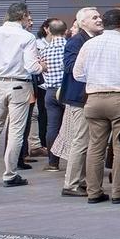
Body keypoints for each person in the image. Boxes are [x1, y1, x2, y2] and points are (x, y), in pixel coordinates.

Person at [72, 7, 120, 204]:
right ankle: (118, 192)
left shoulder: (89, 45)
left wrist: (97, 78)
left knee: (95, 146)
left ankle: (93, 192)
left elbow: (77, 74)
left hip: (94, 98)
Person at [0, 2, 42, 188]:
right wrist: (42, 67)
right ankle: (10, 173)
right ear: (23, 16)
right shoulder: (27, 37)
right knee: (16, 130)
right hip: (19, 85)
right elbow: (31, 66)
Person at [55, 6, 100, 197]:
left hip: (89, 97)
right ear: (82, 22)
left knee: (87, 142)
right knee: (80, 142)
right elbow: (71, 67)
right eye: (94, 17)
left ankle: (80, 181)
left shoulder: (95, 40)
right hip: (79, 98)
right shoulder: (76, 41)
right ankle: (71, 184)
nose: (99, 20)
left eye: (99, 17)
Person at [35, 16, 69, 171]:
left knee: (52, 127)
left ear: (49, 31)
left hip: (50, 92)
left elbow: (40, 69)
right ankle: (73, 162)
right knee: (72, 127)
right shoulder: (70, 48)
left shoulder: (44, 51)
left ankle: (52, 163)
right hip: (67, 92)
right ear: (66, 31)